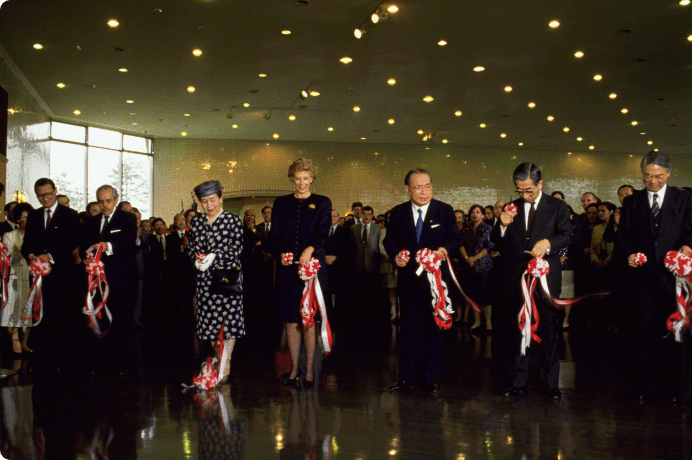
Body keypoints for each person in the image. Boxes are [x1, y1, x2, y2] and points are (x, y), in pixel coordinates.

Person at [491, 163, 572, 400]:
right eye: (519, 191)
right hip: (517, 279)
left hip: (545, 279)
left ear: (540, 184)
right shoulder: (510, 207)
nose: (525, 195)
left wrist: (548, 244)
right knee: (517, 332)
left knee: (549, 332)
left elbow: (567, 235)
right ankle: (518, 382)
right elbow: (496, 240)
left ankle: (550, 384)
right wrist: (502, 225)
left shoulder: (557, 206)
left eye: (529, 190)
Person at [617, 151, 692, 402]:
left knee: (673, 334)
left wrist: (687, 247)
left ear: (669, 173)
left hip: (674, 280)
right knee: (644, 333)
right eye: (648, 176)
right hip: (643, 280)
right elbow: (623, 237)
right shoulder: (632, 202)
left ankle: (671, 389)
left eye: (659, 176)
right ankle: (645, 386)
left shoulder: (683, 198)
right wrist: (628, 254)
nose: (653, 181)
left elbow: (690, 232)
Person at [383, 168, 461, 393]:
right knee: (408, 328)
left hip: (436, 282)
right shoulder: (398, 213)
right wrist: (396, 255)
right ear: (407, 189)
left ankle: (429, 377)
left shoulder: (444, 211)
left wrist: (444, 250)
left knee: (433, 328)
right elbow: (390, 240)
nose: (424, 191)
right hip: (409, 279)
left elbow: (454, 237)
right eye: (417, 187)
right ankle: (406, 376)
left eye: (427, 186)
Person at [269, 158, 331, 388]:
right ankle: (294, 369)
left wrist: (311, 248)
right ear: (291, 179)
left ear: (312, 178)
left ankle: (310, 371)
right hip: (287, 271)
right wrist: (280, 254)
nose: (302, 183)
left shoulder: (322, 202)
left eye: (306, 178)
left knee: (309, 319)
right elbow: (274, 236)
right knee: (290, 319)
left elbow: (324, 233)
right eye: (297, 178)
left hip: (312, 270)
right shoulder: (281, 202)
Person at [21, 178, 84, 374]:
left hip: (63, 277)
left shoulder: (70, 215)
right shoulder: (34, 216)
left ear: (55, 191)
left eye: (48, 194)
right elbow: (27, 245)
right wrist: (32, 257)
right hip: (40, 279)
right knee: (42, 319)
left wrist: (50, 256)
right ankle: (43, 360)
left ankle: (65, 361)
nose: (45, 198)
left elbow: (72, 243)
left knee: (63, 318)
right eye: (40, 195)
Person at [187, 180, 245, 384]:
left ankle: (225, 363)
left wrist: (215, 256)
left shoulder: (232, 220)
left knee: (227, 323)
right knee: (211, 325)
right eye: (204, 202)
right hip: (204, 280)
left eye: (212, 200)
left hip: (227, 278)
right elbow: (191, 246)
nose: (209, 205)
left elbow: (237, 249)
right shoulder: (197, 222)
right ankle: (220, 359)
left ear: (220, 199)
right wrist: (196, 258)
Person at [80, 184, 138, 376]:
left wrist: (108, 246)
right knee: (100, 319)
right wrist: (87, 257)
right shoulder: (92, 221)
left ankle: (123, 362)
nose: (104, 205)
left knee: (122, 320)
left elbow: (128, 244)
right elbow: (84, 247)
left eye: (108, 201)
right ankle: (101, 361)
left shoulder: (127, 218)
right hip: (97, 280)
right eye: (101, 201)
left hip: (121, 280)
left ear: (115, 199)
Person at [1, 202, 34, 353]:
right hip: (14, 277)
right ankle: (14, 341)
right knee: (12, 309)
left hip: (30, 277)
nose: (27, 220)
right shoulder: (9, 235)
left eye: (29, 217)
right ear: (18, 219)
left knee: (28, 309)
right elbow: (6, 258)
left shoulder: (36, 236)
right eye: (24, 217)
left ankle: (25, 341)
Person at [460, 204, 494, 333]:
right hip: (468, 265)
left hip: (484, 265)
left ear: (483, 215)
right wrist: (467, 258)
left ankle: (489, 323)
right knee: (472, 294)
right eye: (473, 212)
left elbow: (490, 246)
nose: (475, 214)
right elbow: (461, 244)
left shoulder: (487, 228)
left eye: (478, 212)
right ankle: (477, 321)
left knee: (485, 294)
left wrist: (475, 258)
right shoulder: (466, 229)